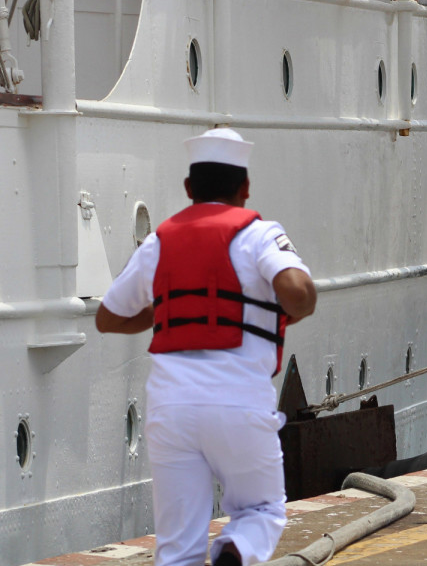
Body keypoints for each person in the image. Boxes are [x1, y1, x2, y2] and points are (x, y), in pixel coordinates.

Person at [96, 128, 317, 566]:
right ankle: (236, 549)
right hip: (239, 403)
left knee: (177, 548)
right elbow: (298, 294)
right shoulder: (258, 235)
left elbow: (108, 317)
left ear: (189, 189)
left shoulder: (159, 242)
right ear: (245, 187)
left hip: (171, 409)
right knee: (262, 510)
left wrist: (171, 312)